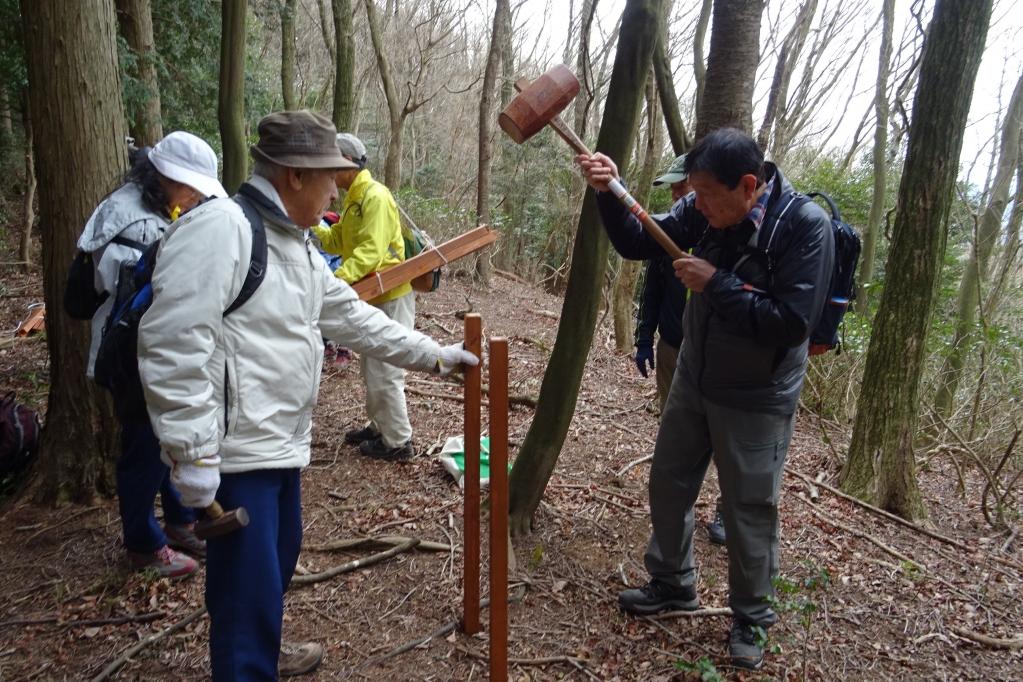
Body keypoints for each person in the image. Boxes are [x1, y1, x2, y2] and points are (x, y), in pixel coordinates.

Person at [137, 110, 478, 680]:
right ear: (294, 175)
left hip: (282, 450)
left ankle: (262, 653)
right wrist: (193, 452)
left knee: (272, 570)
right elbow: (172, 342)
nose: (335, 190)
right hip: (237, 456)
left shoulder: (293, 244)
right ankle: (248, 665)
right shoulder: (223, 229)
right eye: (329, 177)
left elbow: (353, 319)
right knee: (245, 594)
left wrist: (434, 356)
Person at [577, 128, 833, 670]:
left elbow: (790, 323)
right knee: (669, 482)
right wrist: (608, 191)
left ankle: (751, 619)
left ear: (747, 185)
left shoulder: (803, 228)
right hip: (696, 375)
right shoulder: (704, 204)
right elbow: (638, 241)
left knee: (748, 510)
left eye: (709, 197)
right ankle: (672, 582)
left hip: (758, 393)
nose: (699, 207)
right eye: (695, 195)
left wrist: (716, 283)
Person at [77, 131, 227, 578]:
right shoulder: (134, 219)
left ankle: (180, 521)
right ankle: (142, 544)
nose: (197, 198)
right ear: (168, 178)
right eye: (191, 188)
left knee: (163, 438)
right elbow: (140, 295)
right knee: (143, 446)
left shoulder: (153, 207)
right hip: (132, 355)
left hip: (149, 352)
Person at [637, 154, 726, 547]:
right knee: (675, 431)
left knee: (725, 436)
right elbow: (652, 287)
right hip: (673, 347)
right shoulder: (667, 231)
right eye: (672, 187)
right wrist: (644, 337)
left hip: (717, 358)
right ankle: (674, 518)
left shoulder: (725, 233)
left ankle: (726, 509)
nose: (675, 193)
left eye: (681, 186)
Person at [312, 133, 418, 461]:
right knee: (372, 363)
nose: (328, 172)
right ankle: (380, 426)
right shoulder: (353, 200)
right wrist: (311, 221)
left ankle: (399, 442)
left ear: (347, 163)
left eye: (332, 164)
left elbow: (371, 252)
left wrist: (333, 281)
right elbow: (335, 243)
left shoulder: (375, 197)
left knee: (386, 367)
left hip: (391, 294)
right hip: (372, 294)